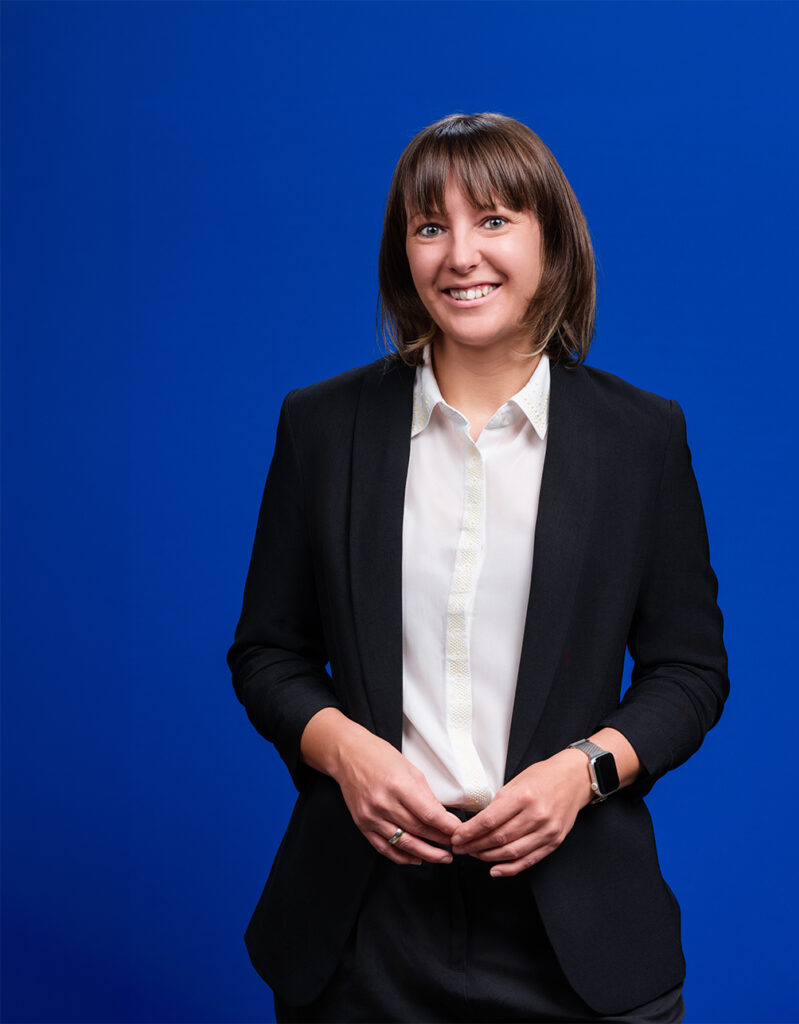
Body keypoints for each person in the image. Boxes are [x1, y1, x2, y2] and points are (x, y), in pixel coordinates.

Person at [228, 112, 729, 1023]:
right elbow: (268, 653)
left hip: (578, 931)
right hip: (362, 928)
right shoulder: (322, 427)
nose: (461, 255)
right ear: (405, 253)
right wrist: (347, 753)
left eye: (494, 220)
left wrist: (584, 769)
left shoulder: (640, 438)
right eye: (431, 227)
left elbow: (690, 672)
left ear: (551, 240)